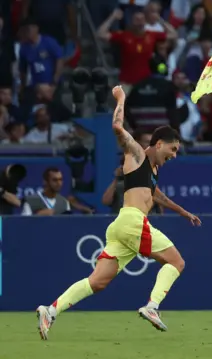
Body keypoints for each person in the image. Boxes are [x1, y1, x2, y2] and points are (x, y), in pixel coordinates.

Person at [35, 86, 202, 341]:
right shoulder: (136, 153)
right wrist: (121, 98)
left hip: (121, 226)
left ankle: (50, 310)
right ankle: (152, 306)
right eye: (173, 149)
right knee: (176, 262)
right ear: (159, 144)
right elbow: (116, 128)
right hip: (133, 221)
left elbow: (156, 196)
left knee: (97, 282)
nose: (174, 155)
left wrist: (183, 212)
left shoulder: (153, 171)